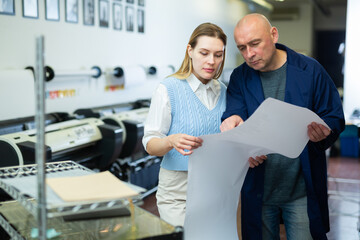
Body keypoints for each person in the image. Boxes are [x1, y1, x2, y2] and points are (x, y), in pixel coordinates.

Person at [220, 13, 344, 239]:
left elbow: (334, 116)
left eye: (255, 44)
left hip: (300, 191)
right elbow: (233, 114)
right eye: (242, 48)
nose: (249, 54)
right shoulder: (239, 77)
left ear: (273, 35)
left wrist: (322, 135)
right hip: (259, 190)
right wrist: (232, 127)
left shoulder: (310, 70)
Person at [142, 22, 227, 227]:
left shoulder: (224, 91)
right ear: (190, 50)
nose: (211, 61)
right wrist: (170, 141)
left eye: (218, 54)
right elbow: (150, 144)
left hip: (215, 187)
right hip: (177, 192)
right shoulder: (168, 88)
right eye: (204, 53)